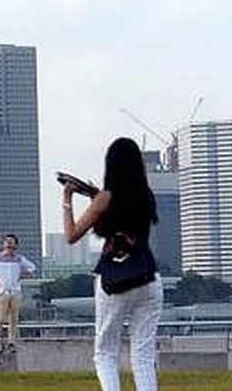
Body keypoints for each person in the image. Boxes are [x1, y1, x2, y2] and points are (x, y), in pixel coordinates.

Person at [62, 137, 163, 391]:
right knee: (143, 355)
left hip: (114, 279)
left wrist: (67, 199)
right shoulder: (146, 196)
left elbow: (72, 235)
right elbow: (126, 217)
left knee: (105, 352)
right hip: (149, 277)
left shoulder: (105, 198)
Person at [0, 233, 36, 353]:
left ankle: (12, 342)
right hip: (2, 291)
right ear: (3, 244)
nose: (9, 243)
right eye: (7, 241)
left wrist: (22, 276)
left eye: (12, 241)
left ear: (16, 245)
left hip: (15, 291)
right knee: (0, 317)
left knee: (14, 318)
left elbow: (32, 268)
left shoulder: (19, 259)